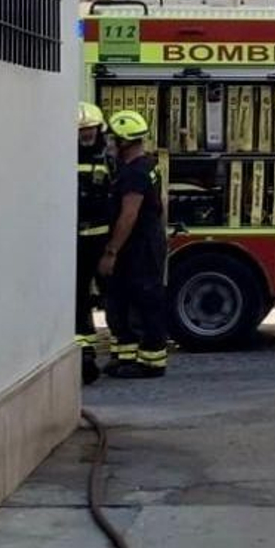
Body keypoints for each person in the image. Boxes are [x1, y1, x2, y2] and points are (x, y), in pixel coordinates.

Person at [98, 109, 170, 379]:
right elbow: (161, 206)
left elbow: (129, 215)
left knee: (144, 301)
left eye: (114, 140)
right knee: (123, 300)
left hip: (137, 246)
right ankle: (126, 357)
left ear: (125, 142)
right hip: (144, 243)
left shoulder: (134, 174)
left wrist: (111, 251)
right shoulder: (146, 165)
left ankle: (151, 362)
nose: (110, 144)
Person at [75, 101, 112, 385]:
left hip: (102, 239)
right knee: (78, 298)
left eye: (90, 129)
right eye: (81, 130)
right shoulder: (64, 155)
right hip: (75, 240)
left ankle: (126, 352)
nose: (86, 134)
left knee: (115, 295)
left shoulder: (108, 158)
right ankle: (83, 352)